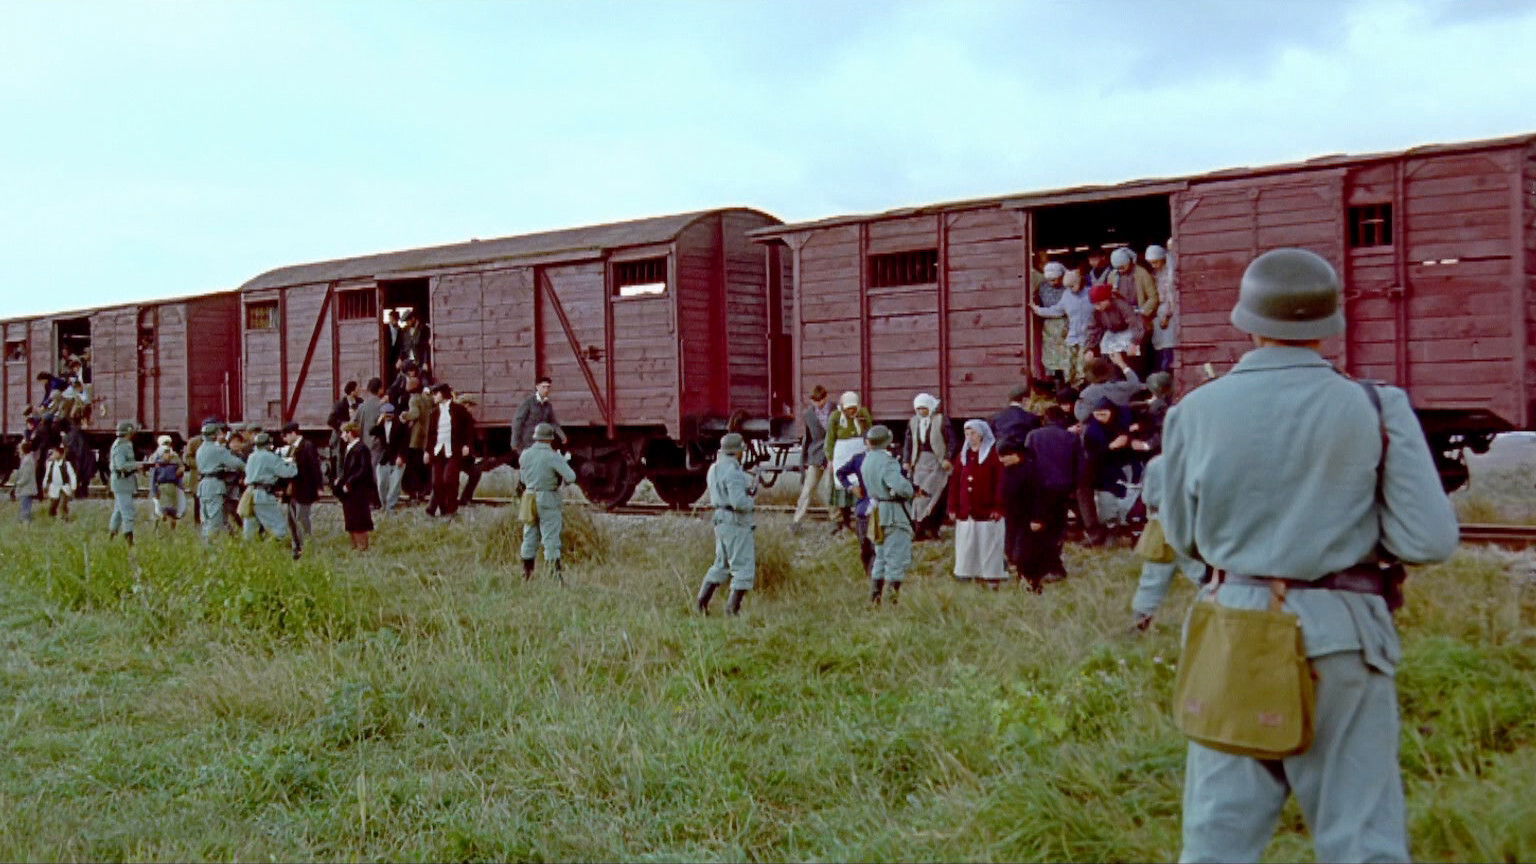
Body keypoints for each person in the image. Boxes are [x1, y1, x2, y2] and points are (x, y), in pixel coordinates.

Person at [1156, 247, 1459, 862]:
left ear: (1248, 322)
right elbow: (1428, 539)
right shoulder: (1376, 405)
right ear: (1329, 326)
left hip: (1234, 631)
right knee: (1362, 841)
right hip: (1343, 636)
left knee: (1215, 842)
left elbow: (1182, 537)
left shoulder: (1193, 411)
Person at [1129, 456, 1208, 631]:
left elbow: (1148, 498)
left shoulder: (1156, 463)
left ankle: (1139, 623)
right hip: (1191, 528)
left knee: (1152, 578)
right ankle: (1216, 615)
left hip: (1162, 527)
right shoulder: (1199, 459)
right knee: (1204, 576)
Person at [1018, 406, 1083, 590]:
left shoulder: (1033, 436)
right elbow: (1079, 465)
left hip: (1039, 489)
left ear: (1045, 419)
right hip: (1062, 489)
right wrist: (1074, 488)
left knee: (1040, 530)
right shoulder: (1071, 437)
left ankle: (1043, 566)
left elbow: (1027, 463)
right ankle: (1054, 566)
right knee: (1057, 529)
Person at [694, 432, 756, 616]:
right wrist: (751, 500)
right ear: (737, 451)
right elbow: (738, 502)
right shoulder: (734, 472)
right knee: (743, 566)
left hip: (720, 520)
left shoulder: (714, 468)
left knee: (720, 564)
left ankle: (701, 604)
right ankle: (732, 610)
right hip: (735, 522)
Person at [860, 424, 914, 605]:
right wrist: (909, 489)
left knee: (880, 557)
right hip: (893, 513)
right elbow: (901, 487)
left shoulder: (867, 460)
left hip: (877, 513)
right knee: (896, 557)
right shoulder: (887, 462)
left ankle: (875, 599)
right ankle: (892, 601)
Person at [950, 419, 1007, 587]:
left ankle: (990, 576)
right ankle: (966, 573)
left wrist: (998, 507)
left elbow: (1000, 483)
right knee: (967, 544)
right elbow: (955, 483)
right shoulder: (963, 456)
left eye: (973, 433)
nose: (970, 437)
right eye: (967, 433)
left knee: (988, 543)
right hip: (966, 509)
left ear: (981, 434)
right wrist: (953, 506)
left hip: (986, 509)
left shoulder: (993, 455)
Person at [518, 423, 578, 580]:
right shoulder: (552, 456)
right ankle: (555, 575)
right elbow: (571, 477)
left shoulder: (525, 455)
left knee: (529, 534)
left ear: (535, 437)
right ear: (550, 439)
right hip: (548, 497)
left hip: (529, 496)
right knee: (551, 537)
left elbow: (522, 478)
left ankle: (527, 574)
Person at [1033, 268, 1095, 386]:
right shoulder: (1067, 295)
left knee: (1083, 368)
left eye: (1072, 286)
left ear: (1079, 282)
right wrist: (1039, 310)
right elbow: (1057, 310)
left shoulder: (1091, 293)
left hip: (1089, 337)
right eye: (1068, 287)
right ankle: (1071, 389)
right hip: (1073, 337)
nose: (1070, 289)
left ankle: (1083, 388)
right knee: (1069, 367)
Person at [903, 393, 953, 540]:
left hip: (937, 462)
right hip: (920, 463)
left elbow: (951, 441)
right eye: (918, 409)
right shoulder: (913, 422)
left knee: (936, 495)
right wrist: (906, 460)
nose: (921, 412)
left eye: (924, 408)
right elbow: (909, 442)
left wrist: (947, 458)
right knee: (920, 495)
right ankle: (919, 528)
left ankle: (933, 528)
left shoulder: (941, 420)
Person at [242, 432, 300, 555]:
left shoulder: (251, 456)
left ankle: (250, 555)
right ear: (268, 444)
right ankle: (268, 551)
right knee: (279, 529)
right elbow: (288, 472)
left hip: (249, 494)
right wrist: (293, 463)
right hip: (264, 495)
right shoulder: (270, 457)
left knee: (250, 531)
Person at [825, 391, 873, 534]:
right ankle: (845, 522)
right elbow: (830, 439)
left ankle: (861, 519)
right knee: (843, 487)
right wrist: (830, 459)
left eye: (853, 408)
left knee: (860, 485)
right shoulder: (835, 417)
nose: (851, 411)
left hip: (858, 451)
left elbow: (869, 432)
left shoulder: (863, 413)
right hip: (842, 454)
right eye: (848, 409)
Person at [424, 383, 474, 517]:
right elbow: (430, 434)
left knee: (449, 480)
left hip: (453, 451)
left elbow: (469, 428)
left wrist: (467, 445)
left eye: (436, 394)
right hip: (438, 451)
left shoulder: (459, 410)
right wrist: (427, 451)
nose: (434, 397)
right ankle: (443, 510)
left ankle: (452, 509)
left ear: (443, 394)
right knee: (436, 483)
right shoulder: (434, 413)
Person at [791, 385, 833, 531]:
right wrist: (804, 460)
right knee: (807, 489)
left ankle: (835, 520)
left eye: (821, 399)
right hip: (816, 455)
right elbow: (808, 439)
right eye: (815, 400)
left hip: (833, 455)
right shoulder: (808, 415)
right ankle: (796, 521)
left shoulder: (836, 410)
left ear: (826, 397)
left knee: (830, 488)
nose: (819, 403)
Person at [195, 422, 246, 541]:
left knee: (206, 518)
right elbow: (236, 464)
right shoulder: (218, 450)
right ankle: (210, 547)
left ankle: (207, 543)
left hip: (203, 485)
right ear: (214, 435)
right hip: (215, 485)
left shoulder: (200, 449)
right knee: (215, 519)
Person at [335, 421, 381, 551]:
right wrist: (341, 480)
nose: (342, 436)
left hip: (358, 490)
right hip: (350, 489)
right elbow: (349, 469)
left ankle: (362, 546)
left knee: (359, 517)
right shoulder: (350, 447)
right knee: (350, 516)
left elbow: (363, 469)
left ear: (350, 433)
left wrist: (350, 482)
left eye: (343, 433)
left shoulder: (361, 449)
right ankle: (354, 545)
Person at [834, 445, 876, 576]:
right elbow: (840, 473)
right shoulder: (859, 459)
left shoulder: (889, 459)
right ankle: (870, 572)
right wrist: (851, 487)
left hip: (883, 506)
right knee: (865, 544)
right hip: (865, 504)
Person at [1084, 282, 1145, 372]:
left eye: (1099, 303)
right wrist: (1090, 348)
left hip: (1129, 331)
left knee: (1132, 355)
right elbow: (1093, 329)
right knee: (1106, 354)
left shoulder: (1121, 305)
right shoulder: (1096, 312)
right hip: (1112, 333)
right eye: (1095, 304)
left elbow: (1135, 323)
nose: (1097, 307)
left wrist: (1134, 342)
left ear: (1106, 299)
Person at [282, 422, 324, 537]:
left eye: (286, 436)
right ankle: (298, 540)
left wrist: (319, 486)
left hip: (305, 487)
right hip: (294, 489)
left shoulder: (307, 446)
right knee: (293, 517)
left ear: (293, 433)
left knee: (302, 516)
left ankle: (306, 538)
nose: (285, 439)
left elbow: (315, 467)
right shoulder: (292, 448)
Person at [511, 376, 568, 455]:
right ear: (537, 387)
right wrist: (514, 441)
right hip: (527, 441)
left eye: (548, 387)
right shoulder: (528, 402)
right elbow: (518, 421)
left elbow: (553, 422)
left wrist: (562, 435)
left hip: (541, 441)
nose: (546, 390)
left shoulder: (548, 405)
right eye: (543, 387)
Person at [1035, 262, 1072, 382]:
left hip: (1066, 323)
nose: (1052, 283)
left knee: (1067, 354)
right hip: (1050, 326)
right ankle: (1054, 381)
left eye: (1055, 279)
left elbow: (1063, 309)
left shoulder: (1068, 287)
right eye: (1050, 280)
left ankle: (1069, 380)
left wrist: (1040, 311)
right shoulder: (1043, 287)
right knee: (1051, 356)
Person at [370, 403, 409, 512]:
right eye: (385, 415)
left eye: (390, 415)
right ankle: (384, 504)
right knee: (381, 482)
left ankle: (390, 506)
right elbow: (371, 432)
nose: (388, 417)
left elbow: (405, 442)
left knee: (395, 483)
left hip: (398, 457)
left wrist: (401, 456)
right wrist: (379, 422)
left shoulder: (400, 425)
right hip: (384, 457)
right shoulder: (380, 425)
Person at [1146, 244, 1179, 372]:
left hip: (1169, 311)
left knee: (1169, 342)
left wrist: (1168, 314)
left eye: (1156, 262)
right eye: (1151, 263)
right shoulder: (1155, 273)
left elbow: (1172, 295)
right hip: (1159, 312)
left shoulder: (1170, 272)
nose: (1154, 265)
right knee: (1159, 344)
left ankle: (1167, 370)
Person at [107, 421, 140, 545]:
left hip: (123, 482)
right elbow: (121, 465)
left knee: (118, 511)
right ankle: (129, 540)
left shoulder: (124, 444)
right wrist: (137, 465)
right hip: (122, 482)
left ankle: (111, 536)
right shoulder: (121, 446)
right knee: (127, 511)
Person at [149, 436, 184, 529]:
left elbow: (180, 469)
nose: (167, 446)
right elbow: (153, 476)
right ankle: (159, 529)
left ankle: (169, 530)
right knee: (161, 510)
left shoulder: (174, 456)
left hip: (171, 486)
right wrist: (154, 491)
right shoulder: (155, 457)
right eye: (165, 443)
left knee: (172, 511)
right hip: (162, 486)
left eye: (168, 443)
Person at [43, 443, 77, 519]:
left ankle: (63, 518)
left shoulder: (66, 464)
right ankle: (53, 517)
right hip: (54, 488)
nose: (54, 454)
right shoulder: (50, 464)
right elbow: (47, 476)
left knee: (62, 504)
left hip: (63, 488)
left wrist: (73, 487)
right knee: (53, 506)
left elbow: (72, 476)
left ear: (60, 454)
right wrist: (45, 486)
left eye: (55, 452)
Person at [15, 441, 37, 523]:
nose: (18, 450)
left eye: (20, 449)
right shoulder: (26, 459)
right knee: (25, 506)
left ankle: (25, 523)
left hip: (26, 488)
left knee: (25, 507)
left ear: (24, 450)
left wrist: (18, 483)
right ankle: (25, 521)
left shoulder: (27, 461)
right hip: (26, 488)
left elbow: (25, 477)